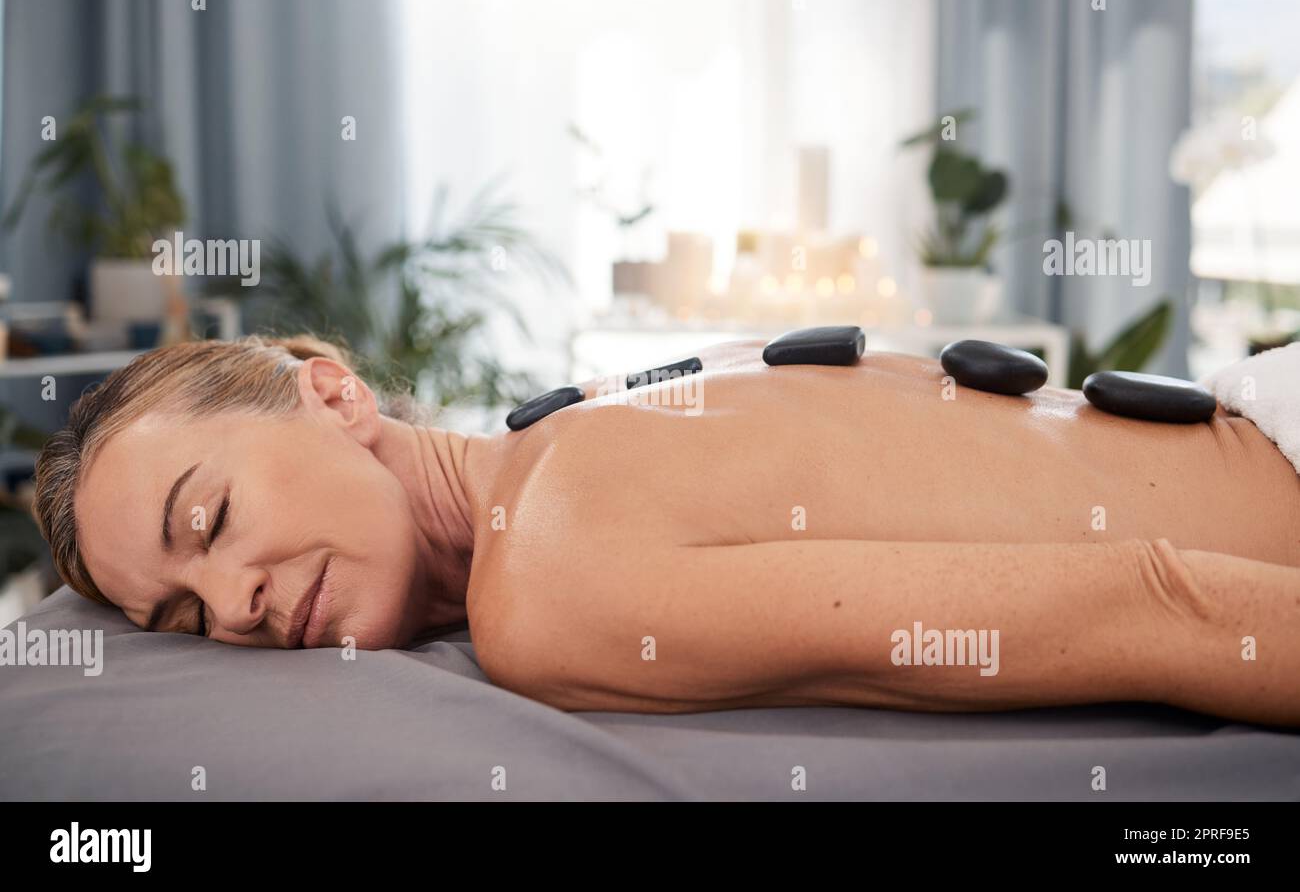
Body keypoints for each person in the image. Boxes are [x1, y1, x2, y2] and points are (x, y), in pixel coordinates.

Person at [33, 334, 1300, 726]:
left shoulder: (548, 570)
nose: (236, 605)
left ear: (327, 387)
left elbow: (1158, 602)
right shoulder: (570, 435)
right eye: (184, 618)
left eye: (209, 519)